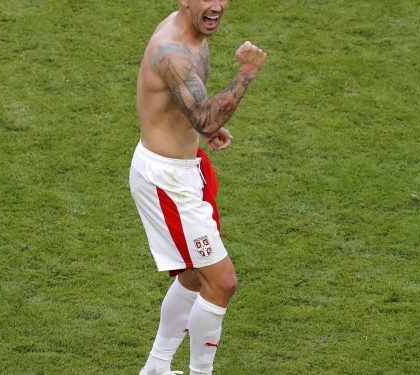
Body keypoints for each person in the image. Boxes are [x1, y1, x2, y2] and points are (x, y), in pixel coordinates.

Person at [128, 0, 267, 374]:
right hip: (166, 180)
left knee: (195, 275)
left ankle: (156, 368)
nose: (217, 5)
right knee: (222, 282)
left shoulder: (193, 31)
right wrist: (246, 72)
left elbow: (194, 112)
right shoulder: (170, 49)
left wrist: (200, 128)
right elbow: (204, 117)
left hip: (186, 170)